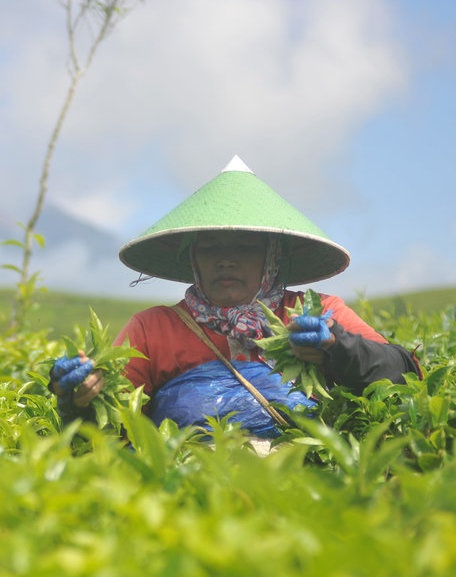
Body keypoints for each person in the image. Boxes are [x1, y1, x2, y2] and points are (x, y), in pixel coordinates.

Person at [49, 156, 420, 438]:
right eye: (210, 247)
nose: (226, 259)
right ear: (193, 258)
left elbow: (401, 373)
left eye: (244, 246)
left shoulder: (316, 314)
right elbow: (107, 422)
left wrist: (337, 347)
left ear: (272, 256)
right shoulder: (153, 329)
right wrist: (78, 397)